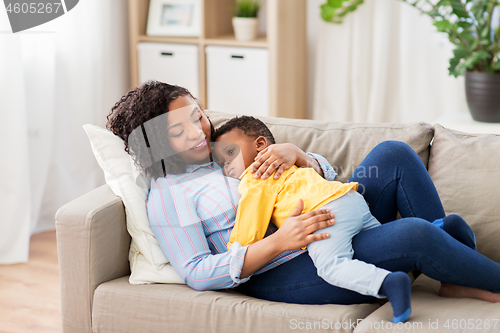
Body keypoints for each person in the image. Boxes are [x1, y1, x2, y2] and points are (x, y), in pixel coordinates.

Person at [106, 81, 500, 322]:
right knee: (414, 234)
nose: (198, 132)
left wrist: (300, 155)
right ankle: (456, 260)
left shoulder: (224, 145)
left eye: (197, 116)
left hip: (333, 218)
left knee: (394, 155)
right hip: (289, 269)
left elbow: (308, 180)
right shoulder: (168, 196)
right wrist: (278, 241)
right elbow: (196, 271)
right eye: (179, 130)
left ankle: (452, 276)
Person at [212, 115, 473, 323]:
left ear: (260, 145)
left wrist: (235, 249)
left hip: (325, 218)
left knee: (332, 264)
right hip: (348, 198)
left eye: (229, 154)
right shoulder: (286, 171)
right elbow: (328, 178)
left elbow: (250, 227)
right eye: (221, 162)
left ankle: (389, 282)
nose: (226, 167)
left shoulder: (256, 176)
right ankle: (442, 234)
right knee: (391, 235)